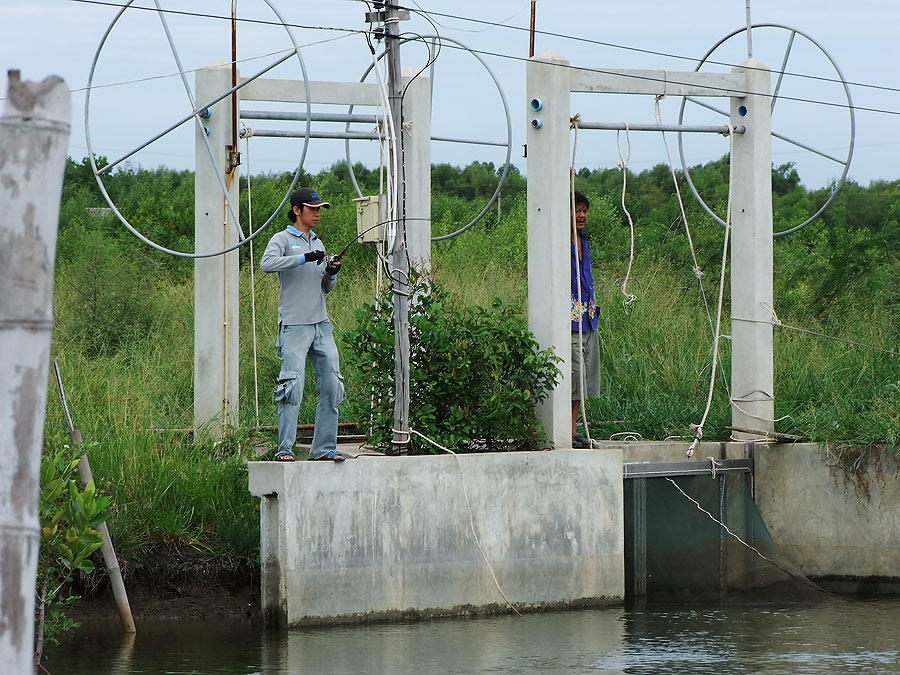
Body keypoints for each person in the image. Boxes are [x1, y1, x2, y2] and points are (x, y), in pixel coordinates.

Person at [261, 188, 346, 462]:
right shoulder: (282, 239)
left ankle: (323, 450)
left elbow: (324, 287)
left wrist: (331, 273)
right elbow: (267, 264)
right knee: (292, 387)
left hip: (321, 324)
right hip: (295, 325)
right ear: (297, 210)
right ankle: (285, 449)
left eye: (320, 209)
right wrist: (302, 258)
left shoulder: (319, 242)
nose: (317, 214)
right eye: (312, 209)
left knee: (333, 385)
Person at [570, 191, 600, 449]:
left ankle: (573, 428)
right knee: (573, 375)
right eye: (577, 210)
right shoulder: (560, 241)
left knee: (584, 379)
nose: (582, 215)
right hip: (569, 321)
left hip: (588, 318)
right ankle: (565, 430)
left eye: (584, 211)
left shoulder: (582, 240)